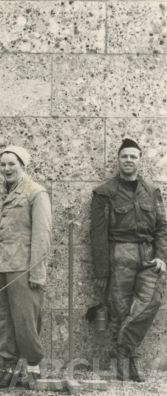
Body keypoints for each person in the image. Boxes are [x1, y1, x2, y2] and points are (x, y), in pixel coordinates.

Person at [90, 138, 167, 382]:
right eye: (125, 156)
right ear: (118, 160)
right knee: (120, 311)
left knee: (151, 301)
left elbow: (162, 227)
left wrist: (162, 256)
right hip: (119, 255)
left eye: (133, 156)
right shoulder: (104, 193)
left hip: (147, 255)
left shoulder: (152, 191)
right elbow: (98, 234)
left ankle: (121, 349)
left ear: (140, 160)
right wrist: (102, 270)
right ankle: (127, 365)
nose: (129, 160)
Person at [0, 146, 51, 388]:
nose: (6, 168)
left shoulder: (36, 193)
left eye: (11, 164)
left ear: (23, 165)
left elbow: (42, 236)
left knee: (25, 319)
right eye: (2, 164)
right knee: (1, 318)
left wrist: (37, 272)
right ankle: (8, 367)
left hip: (22, 267)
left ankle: (33, 367)